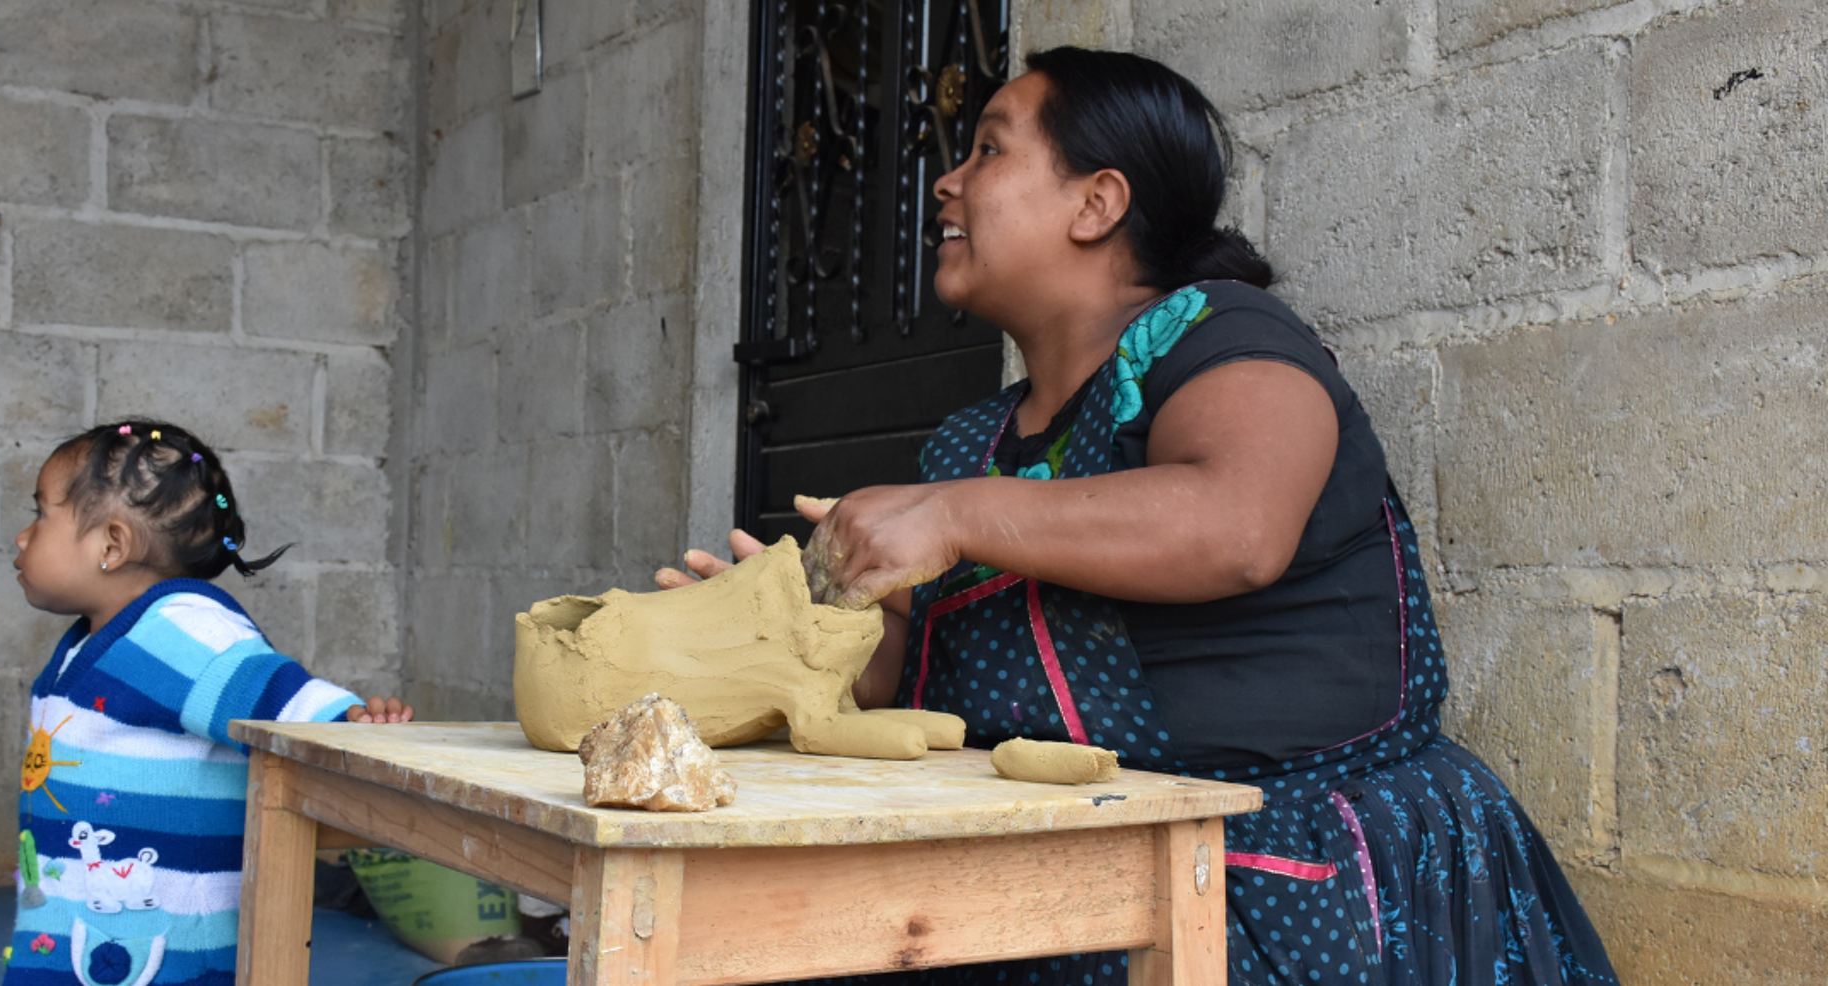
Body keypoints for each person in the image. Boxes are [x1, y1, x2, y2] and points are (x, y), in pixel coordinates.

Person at [660, 48, 1617, 986]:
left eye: (989, 150)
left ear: (1097, 202)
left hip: (1293, 891)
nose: (946, 185)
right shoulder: (970, 442)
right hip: (1067, 894)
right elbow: (921, 672)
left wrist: (953, 516)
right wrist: (791, 635)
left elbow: (1236, 525)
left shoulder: (1223, 333)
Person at [2, 420, 414, 986]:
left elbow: (277, 699)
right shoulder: (97, 637)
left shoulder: (178, 628)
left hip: (162, 965)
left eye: (41, 514)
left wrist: (353, 726)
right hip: (78, 946)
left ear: (112, 544)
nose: (23, 537)